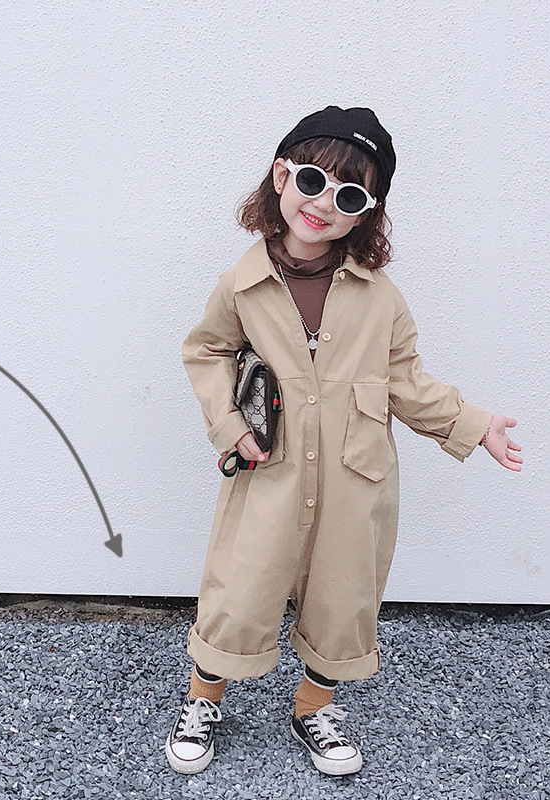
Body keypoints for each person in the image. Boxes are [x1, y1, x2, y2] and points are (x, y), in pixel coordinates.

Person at [165, 105, 523, 777]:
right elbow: (206, 351)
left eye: (349, 195)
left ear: (367, 212)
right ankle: (203, 698)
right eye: (312, 181)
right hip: (269, 468)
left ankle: (314, 707)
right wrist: (231, 425)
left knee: (343, 597)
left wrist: (472, 425)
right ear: (281, 177)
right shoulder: (241, 284)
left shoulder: (380, 297)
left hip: (356, 477)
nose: (324, 203)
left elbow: (405, 380)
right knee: (240, 587)